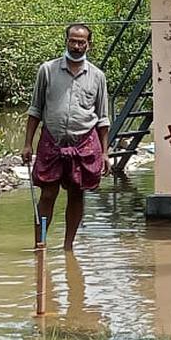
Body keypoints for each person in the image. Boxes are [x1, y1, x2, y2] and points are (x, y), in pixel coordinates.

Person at [21, 24, 111, 250]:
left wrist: (106, 153)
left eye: (82, 42)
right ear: (66, 41)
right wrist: (27, 144)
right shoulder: (47, 70)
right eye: (73, 41)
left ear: (89, 44)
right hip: (52, 140)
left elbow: (102, 118)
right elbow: (35, 110)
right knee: (48, 193)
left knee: (77, 194)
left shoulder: (97, 76)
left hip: (84, 143)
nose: (77, 46)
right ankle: (39, 244)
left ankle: (68, 247)